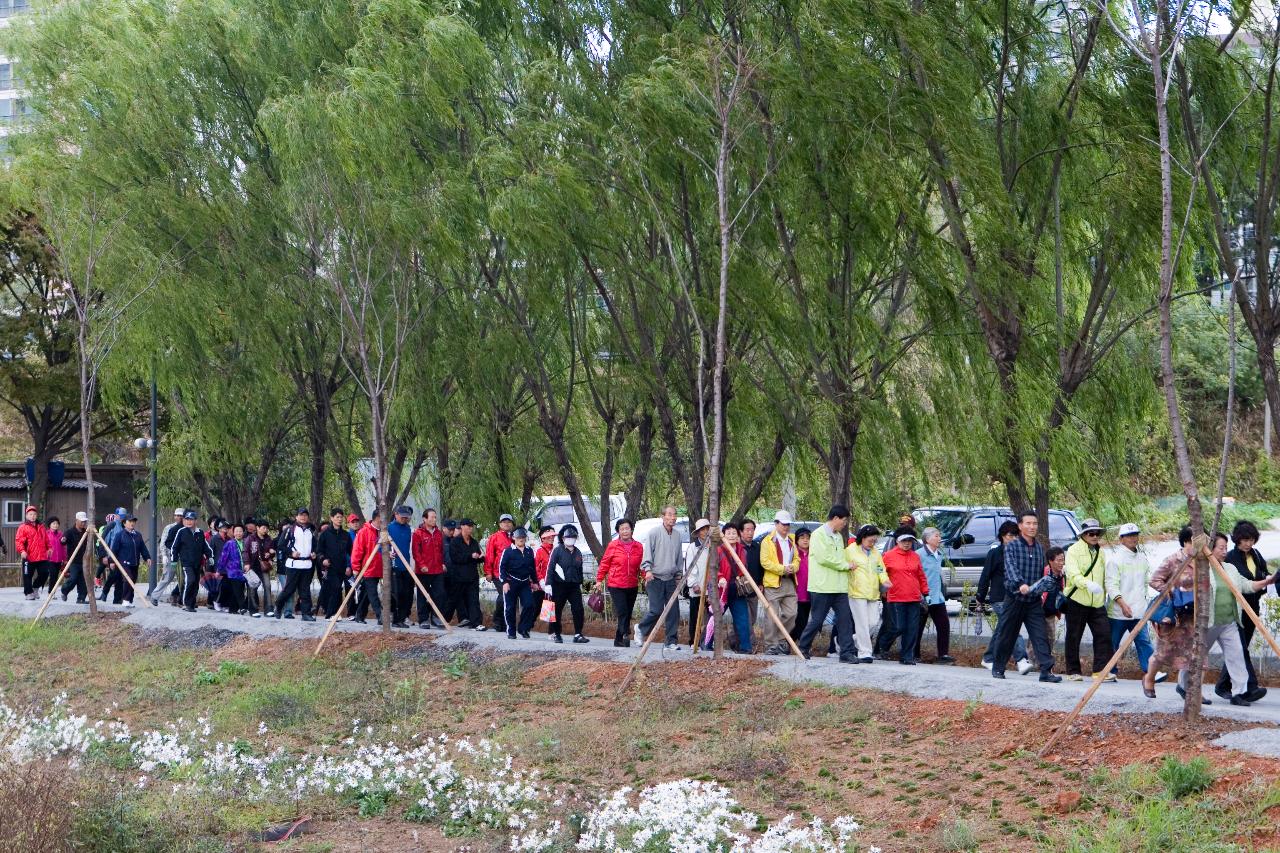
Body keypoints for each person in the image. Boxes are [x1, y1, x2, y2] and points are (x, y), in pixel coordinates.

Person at [990, 511, 1061, 682]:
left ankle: (1046, 671)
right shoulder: (1012, 546)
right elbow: (1011, 568)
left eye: (1035, 523)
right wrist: (1020, 584)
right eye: (1028, 523)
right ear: (1020, 526)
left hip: (1033, 601)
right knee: (1007, 634)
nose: (1032, 527)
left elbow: (1040, 573)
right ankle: (998, 667)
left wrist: (1048, 582)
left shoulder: (1038, 548)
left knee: (1040, 635)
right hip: (1014, 598)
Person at [1218, 521, 1272, 702]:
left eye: (1251, 539)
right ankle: (1251, 687)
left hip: (1252, 609)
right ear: (1237, 540)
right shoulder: (1231, 558)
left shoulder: (1256, 555)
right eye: (1245, 540)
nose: (1248, 543)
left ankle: (1222, 685)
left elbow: (1263, 575)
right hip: (1238, 609)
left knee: (1240, 648)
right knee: (1240, 649)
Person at [796, 505, 857, 663]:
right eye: (843, 521)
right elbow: (823, 559)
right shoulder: (818, 535)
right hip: (822, 587)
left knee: (845, 620)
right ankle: (803, 647)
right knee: (817, 620)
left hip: (839, 587)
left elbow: (840, 557)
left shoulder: (838, 536)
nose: (844, 524)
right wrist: (845, 565)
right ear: (835, 518)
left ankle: (847, 652)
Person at [1105, 523, 1162, 683]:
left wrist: (1145, 606)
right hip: (1118, 612)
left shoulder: (1142, 558)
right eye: (1129, 536)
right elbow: (1111, 585)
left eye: (1135, 535)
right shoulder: (1115, 560)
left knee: (1144, 641)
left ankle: (1151, 671)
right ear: (1121, 539)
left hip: (1139, 611)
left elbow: (1144, 584)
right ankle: (1109, 671)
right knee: (1113, 643)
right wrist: (1123, 605)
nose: (1132, 538)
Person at [1062, 518, 1115, 682]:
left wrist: (1104, 593)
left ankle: (1099, 671)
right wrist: (1088, 584)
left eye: (1097, 533)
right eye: (1091, 533)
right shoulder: (1073, 551)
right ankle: (1073, 671)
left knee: (1104, 634)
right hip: (1077, 600)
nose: (1094, 536)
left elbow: (1105, 576)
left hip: (1097, 602)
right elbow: (1072, 574)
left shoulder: (1101, 552)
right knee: (1074, 636)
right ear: (1083, 535)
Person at [980, 520, 1030, 674]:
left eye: (1016, 535)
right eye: (1010, 535)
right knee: (1012, 627)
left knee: (1002, 628)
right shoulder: (994, 553)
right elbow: (985, 575)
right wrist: (980, 596)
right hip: (999, 598)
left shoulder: (1020, 552)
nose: (1013, 539)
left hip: (1015, 597)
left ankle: (988, 658)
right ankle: (1021, 659)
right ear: (1002, 536)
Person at [636, 505, 686, 650]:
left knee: (673, 610)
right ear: (662, 516)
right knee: (656, 610)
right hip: (655, 577)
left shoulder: (677, 535)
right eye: (669, 514)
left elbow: (678, 557)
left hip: (670, 578)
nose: (673, 517)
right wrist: (648, 570)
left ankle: (671, 641)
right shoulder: (654, 532)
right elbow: (647, 554)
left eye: (674, 514)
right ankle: (640, 629)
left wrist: (678, 575)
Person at [879, 529, 928, 665]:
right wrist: (882, 589)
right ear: (897, 541)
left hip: (913, 597)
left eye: (909, 541)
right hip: (895, 597)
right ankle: (881, 645)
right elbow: (880, 573)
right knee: (898, 627)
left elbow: (921, 575)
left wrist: (925, 592)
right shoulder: (888, 556)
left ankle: (907, 656)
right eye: (904, 540)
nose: (907, 543)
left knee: (912, 629)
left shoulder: (915, 556)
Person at [596, 518, 644, 646]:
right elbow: (605, 563)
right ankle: (625, 634)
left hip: (632, 584)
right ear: (618, 531)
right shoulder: (613, 545)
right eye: (622, 529)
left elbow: (642, 565)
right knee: (622, 610)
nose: (625, 531)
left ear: (631, 529)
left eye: (627, 528)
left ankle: (618, 639)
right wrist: (599, 580)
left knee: (628, 611)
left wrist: (646, 577)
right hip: (616, 584)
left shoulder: (638, 546)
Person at [845, 524, 889, 663]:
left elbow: (880, 569)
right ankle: (864, 652)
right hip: (856, 591)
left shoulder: (876, 552)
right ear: (862, 538)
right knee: (862, 623)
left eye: (875, 541)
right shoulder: (850, 550)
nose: (872, 544)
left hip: (872, 592)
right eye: (870, 541)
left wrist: (885, 581)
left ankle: (846, 642)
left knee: (873, 622)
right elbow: (841, 566)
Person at [759, 511, 799, 655]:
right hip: (773, 582)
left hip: (789, 582)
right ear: (776, 524)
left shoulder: (792, 540)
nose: (786, 527)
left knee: (792, 613)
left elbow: (797, 560)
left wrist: (793, 567)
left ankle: (782, 639)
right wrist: (782, 569)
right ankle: (771, 645)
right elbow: (765, 562)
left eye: (788, 524)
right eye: (783, 524)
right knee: (771, 616)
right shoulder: (767, 541)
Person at [714, 522, 753, 654]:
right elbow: (713, 569)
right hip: (722, 588)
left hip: (737, 588)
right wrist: (720, 578)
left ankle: (745, 647)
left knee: (742, 619)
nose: (731, 535)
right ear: (723, 535)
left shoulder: (742, 550)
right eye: (728, 533)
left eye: (734, 533)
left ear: (738, 536)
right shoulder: (718, 550)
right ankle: (706, 644)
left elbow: (745, 569)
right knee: (715, 617)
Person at [917, 527, 954, 664]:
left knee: (944, 625)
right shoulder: (919, 554)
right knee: (918, 627)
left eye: (939, 536)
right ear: (927, 539)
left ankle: (943, 654)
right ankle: (914, 654)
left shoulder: (938, 553)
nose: (939, 538)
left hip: (937, 596)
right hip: (923, 597)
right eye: (936, 536)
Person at [546, 523, 588, 644]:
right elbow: (551, 567)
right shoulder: (557, 550)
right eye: (567, 537)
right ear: (562, 538)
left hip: (574, 585)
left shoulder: (578, 552)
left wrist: (581, 582)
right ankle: (557, 634)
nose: (570, 539)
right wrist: (548, 583)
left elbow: (580, 569)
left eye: (573, 537)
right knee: (557, 610)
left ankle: (578, 634)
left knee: (578, 609)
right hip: (559, 585)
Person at [275, 508, 317, 622]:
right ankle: (278, 605)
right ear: (297, 517)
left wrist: (314, 553)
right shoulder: (290, 529)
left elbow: (314, 545)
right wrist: (291, 553)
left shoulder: (310, 531)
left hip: (307, 564)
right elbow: (281, 545)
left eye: (305, 515)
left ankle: (306, 614)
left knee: (305, 590)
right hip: (293, 565)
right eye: (301, 515)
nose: (303, 517)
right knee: (289, 589)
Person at [409, 509, 448, 629]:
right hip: (424, 571)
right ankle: (423, 619)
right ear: (424, 519)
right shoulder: (418, 533)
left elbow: (441, 550)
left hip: (437, 570)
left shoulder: (438, 533)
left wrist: (442, 563)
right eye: (431, 517)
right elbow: (416, 552)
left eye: (435, 517)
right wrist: (422, 565)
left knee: (440, 594)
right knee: (422, 595)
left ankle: (436, 617)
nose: (434, 520)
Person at [499, 527, 538, 639]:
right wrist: (505, 582)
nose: (521, 539)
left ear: (525, 538)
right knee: (510, 608)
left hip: (525, 583)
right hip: (511, 583)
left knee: (529, 604)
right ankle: (511, 631)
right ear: (513, 538)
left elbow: (532, 568)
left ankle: (523, 628)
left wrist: (535, 582)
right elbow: (502, 568)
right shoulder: (508, 551)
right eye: (518, 537)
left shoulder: (529, 551)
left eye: (523, 537)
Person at [170, 511, 213, 612]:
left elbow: (205, 547)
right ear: (184, 520)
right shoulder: (181, 532)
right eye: (187, 519)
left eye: (191, 519)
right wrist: (174, 560)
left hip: (197, 563)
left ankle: (192, 604)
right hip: (186, 563)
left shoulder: (200, 533)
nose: (189, 521)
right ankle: (185, 603)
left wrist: (210, 556)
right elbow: (174, 547)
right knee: (190, 580)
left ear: (195, 521)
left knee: (195, 584)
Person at [107, 515, 151, 607]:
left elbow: (143, 547)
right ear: (124, 523)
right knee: (128, 579)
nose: (132, 523)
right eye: (130, 521)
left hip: (135, 562)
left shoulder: (138, 535)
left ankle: (129, 600)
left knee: (133, 581)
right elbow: (114, 549)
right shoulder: (120, 535)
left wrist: (147, 557)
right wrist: (111, 561)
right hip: (124, 562)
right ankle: (125, 600)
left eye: (134, 521)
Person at [449, 519, 485, 628]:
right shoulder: (455, 542)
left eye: (471, 526)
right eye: (468, 526)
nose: (470, 528)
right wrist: (470, 556)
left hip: (472, 576)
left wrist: (481, 558)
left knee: (473, 600)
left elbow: (477, 556)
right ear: (462, 527)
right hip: (458, 577)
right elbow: (455, 558)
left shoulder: (474, 542)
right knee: (453, 599)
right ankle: (443, 618)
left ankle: (476, 623)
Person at [683, 519, 713, 648]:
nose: (705, 532)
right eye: (702, 529)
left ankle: (707, 641)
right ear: (698, 532)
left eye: (707, 529)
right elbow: (690, 566)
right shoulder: (692, 547)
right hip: (697, 587)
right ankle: (693, 641)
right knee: (695, 615)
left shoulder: (714, 546)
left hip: (711, 587)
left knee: (711, 616)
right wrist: (693, 583)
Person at [349, 511, 383, 624]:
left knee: (366, 593)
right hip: (368, 569)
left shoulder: (382, 532)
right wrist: (356, 567)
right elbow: (357, 551)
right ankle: (381, 615)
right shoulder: (364, 532)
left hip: (378, 568)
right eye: (380, 519)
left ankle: (359, 615)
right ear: (376, 518)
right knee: (372, 593)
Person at [483, 514, 516, 632]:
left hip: (513, 574)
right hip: (498, 573)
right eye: (504, 522)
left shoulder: (515, 536)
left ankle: (506, 622)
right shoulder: (494, 537)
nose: (506, 524)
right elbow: (490, 555)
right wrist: (488, 572)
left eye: (509, 522)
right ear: (500, 524)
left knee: (511, 598)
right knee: (503, 596)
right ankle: (497, 620)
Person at [316, 510, 350, 618]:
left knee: (337, 590)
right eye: (337, 517)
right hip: (329, 567)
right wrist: (323, 560)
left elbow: (352, 552)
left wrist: (349, 566)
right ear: (331, 518)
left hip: (342, 568)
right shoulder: (325, 534)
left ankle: (335, 613)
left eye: (341, 517)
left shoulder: (346, 535)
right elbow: (319, 551)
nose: (340, 519)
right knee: (335, 588)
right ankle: (330, 614)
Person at [152, 508, 186, 606]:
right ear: (174, 516)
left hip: (183, 557)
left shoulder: (187, 527)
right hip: (170, 556)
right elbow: (163, 542)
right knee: (167, 578)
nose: (178, 517)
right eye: (177, 515)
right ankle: (154, 596)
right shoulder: (169, 527)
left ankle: (181, 599)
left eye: (180, 515)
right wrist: (164, 556)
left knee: (184, 579)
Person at [387, 506, 415, 628]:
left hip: (406, 566)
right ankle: (396, 619)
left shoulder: (408, 529)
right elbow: (378, 546)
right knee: (397, 593)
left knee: (406, 593)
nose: (404, 519)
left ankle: (403, 618)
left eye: (406, 517)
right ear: (396, 514)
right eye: (402, 516)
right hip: (394, 566)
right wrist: (387, 552)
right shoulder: (388, 528)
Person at [16, 504, 49, 600]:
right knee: (27, 575)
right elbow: (19, 541)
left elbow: (46, 539)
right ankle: (28, 593)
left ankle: (35, 588)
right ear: (26, 516)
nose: (32, 516)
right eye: (30, 514)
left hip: (42, 556)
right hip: (28, 556)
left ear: (36, 515)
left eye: (34, 514)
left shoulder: (41, 526)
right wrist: (22, 551)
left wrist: (49, 548)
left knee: (45, 573)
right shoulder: (23, 527)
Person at [59, 513, 91, 604]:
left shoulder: (86, 532)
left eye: (85, 522)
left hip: (84, 561)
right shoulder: (70, 532)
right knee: (73, 578)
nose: (83, 523)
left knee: (83, 580)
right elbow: (63, 541)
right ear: (76, 520)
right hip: (73, 561)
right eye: (81, 521)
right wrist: (63, 540)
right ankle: (64, 591)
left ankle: (81, 598)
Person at [216, 523, 248, 614]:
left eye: (240, 531)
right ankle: (242, 607)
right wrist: (219, 570)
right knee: (238, 590)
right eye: (236, 531)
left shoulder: (246, 542)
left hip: (243, 571)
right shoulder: (229, 543)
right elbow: (223, 558)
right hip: (233, 571)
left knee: (238, 590)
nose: (238, 533)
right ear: (233, 533)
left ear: (243, 532)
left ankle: (233, 609)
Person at [790, 527, 812, 644]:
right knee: (796, 619)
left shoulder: (813, 554)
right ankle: (790, 642)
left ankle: (798, 643)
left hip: (809, 592)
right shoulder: (793, 553)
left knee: (804, 620)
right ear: (797, 540)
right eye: (802, 538)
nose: (805, 540)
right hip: (796, 591)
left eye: (808, 538)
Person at [741, 519, 762, 636]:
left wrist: (761, 583)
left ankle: (734, 637)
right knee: (746, 618)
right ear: (741, 532)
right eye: (747, 530)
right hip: (742, 589)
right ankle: (749, 643)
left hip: (755, 588)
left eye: (752, 530)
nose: (750, 533)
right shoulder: (738, 547)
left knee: (752, 618)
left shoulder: (757, 546)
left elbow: (761, 566)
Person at [534, 525, 556, 633]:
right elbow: (536, 568)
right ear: (542, 538)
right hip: (541, 586)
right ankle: (525, 627)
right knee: (536, 608)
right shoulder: (539, 551)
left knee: (552, 607)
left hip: (552, 585)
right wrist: (541, 581)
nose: (552, 538)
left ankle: (552, 632)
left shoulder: (556, 550)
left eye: (553, 535)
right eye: (549, 536)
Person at [44, 517, 66, 594]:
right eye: (53, 523)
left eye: (57, 523)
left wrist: (64, 558)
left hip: (59, 559)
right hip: (50, 559)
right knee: (52, 575)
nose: (55, 525)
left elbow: (63, 547)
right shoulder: (46, 534)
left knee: (56, 577)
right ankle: (50, 592)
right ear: (49, 525)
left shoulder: (61, 534)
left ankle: (52, 591)